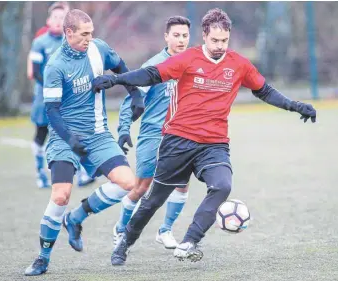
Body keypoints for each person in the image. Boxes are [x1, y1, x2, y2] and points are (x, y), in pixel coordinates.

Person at [91, 8, 317, 266]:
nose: (220, 46)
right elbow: (153, 74)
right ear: (205, 36)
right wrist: (117, 80)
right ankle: (125, 241)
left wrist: (295, 105)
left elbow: (264, 91)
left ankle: (189, 240)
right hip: (178, 140)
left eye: (224, 41)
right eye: (215, 41)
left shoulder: (239, 64)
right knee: (153, 200)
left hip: (214, 144)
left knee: (222, 186)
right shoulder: (188, 58)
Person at [24, 9, 144, 276]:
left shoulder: (98, 49)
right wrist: (70, 140)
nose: (90, 38)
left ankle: (76, 218)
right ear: (69, 33)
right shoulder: (55, 65)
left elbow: (122, 67)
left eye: (91, 32)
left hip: (99, 134)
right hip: (64, 137)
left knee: (129, 184)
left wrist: (135, 94)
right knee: (60, 195)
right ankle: (43, 258)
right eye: (84, 34)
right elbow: (52, 112)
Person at [113, 16, 191, 250]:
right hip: (153, 134)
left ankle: (165, 230)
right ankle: (120, 229)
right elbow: (132, 98)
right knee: (142, 187)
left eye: (185, 35)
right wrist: (124, 128)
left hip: (180, 136)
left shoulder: (193, 63)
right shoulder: (155, 66)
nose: (181, 40)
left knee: (182, 184)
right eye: (176, 35)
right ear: (166, 37)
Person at [28, 2, 94, 188]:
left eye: (62, 18)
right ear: (49, 20)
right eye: (55, 18)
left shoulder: (72, 42)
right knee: (41, 133)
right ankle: (40, 174)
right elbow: (35, 72)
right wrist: (56, 87)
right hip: (46, 99)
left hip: (70, 99)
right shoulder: (40, 43)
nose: (58, 21)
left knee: (75, 133)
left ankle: (82, 174)